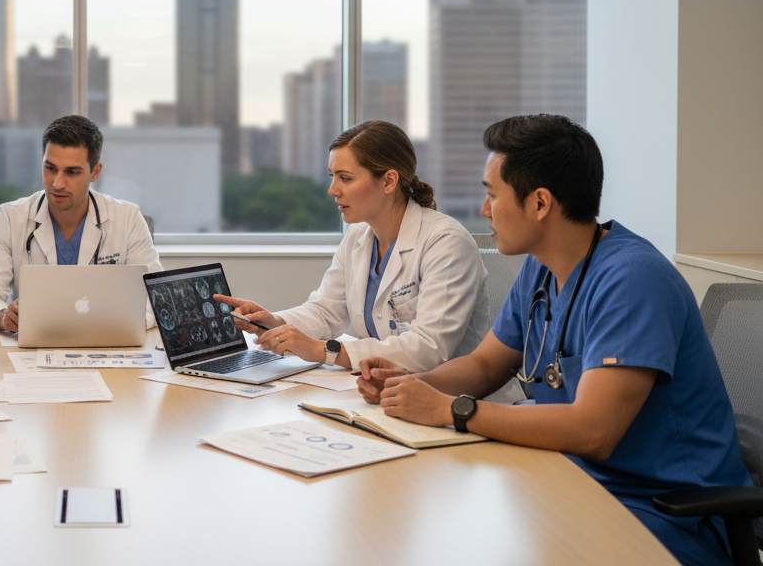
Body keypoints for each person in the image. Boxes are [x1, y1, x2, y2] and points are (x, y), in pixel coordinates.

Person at [356, 115, 750, 566]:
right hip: (570, 480)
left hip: (664, 516)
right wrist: (408, 385)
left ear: (540, 202)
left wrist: (452, 409)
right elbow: (485, 366)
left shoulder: (633, 280)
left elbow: (593, 430)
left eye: (492, 194)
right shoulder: (541, 268)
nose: (484, 210)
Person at [225, 121, 515, 397]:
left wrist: (324, 350)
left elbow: (428, 350)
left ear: (388, 181)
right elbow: (326, 311)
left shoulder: (446, 242)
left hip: (462, 401)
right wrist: (275, 322)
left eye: (345, 178)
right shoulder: (359, 234)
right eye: (332, 176)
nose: (332, 190)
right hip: (388, 395)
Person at [0, 115, 162, 332]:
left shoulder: (128, 219)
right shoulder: (9, 218)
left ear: (95, 172)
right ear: (42, 160)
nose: (57, 183)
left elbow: (154, 298)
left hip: (108, 341)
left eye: (72, 172)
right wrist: (3, 317)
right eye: (51, 168)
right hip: (34, 345)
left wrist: (109, 325)